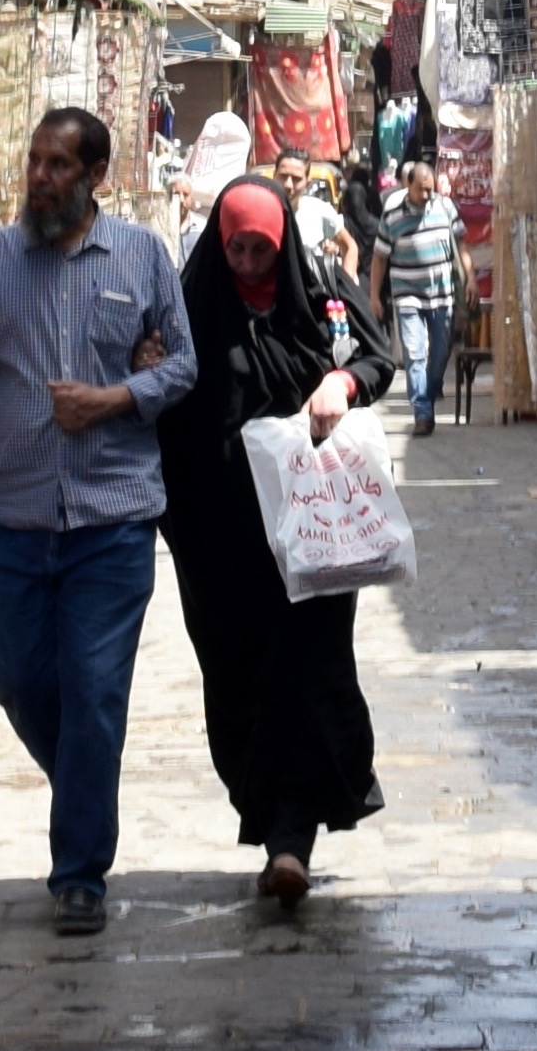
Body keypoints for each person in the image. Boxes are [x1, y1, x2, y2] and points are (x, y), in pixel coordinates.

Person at [0, 107, 194, 928]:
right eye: (34, 161)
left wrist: (116, 397)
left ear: (95, 175)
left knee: (95, 692)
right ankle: (83, 780)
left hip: (113, 519)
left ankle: (80, 873)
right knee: (19, 679)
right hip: (14, 519)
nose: (39, 177)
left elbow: (183, 363)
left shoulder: (143, 256)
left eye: (58, 165)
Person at [160, 176, 392, 908]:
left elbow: (377, 358)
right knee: (239, 679)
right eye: (237, 249)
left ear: (282, 242)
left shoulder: (321, 293)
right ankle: (271, 823)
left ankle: (292, 838)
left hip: (313, 537)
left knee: (312, 672)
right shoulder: (190, 305)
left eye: (261, 249)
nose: (249, 263)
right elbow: (163, 402)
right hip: (220, 541)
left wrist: (340, 385)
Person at [380, 152, 467, 431]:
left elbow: (461, 245)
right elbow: (380, 257)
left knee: (440, 352)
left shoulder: (445, 207)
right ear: (409, 185)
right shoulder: (393, 214)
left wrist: (471, 280)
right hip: (407, 294)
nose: (427, 195)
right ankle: (422, 412)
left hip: (442, 294)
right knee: (414, 352)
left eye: (431, 189)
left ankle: (430, 389)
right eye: (422, 189)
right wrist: (374, 296)